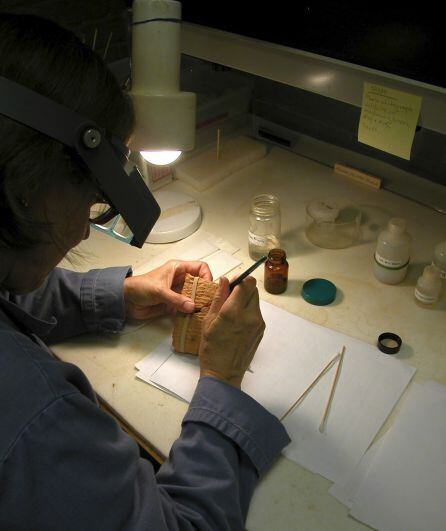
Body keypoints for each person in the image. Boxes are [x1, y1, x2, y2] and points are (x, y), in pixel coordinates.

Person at [0, 13, 290, 530]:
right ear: (28, 185)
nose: (84, 234)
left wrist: (120, 294)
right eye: (89, 202)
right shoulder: (33, 416)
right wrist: (221, 382)